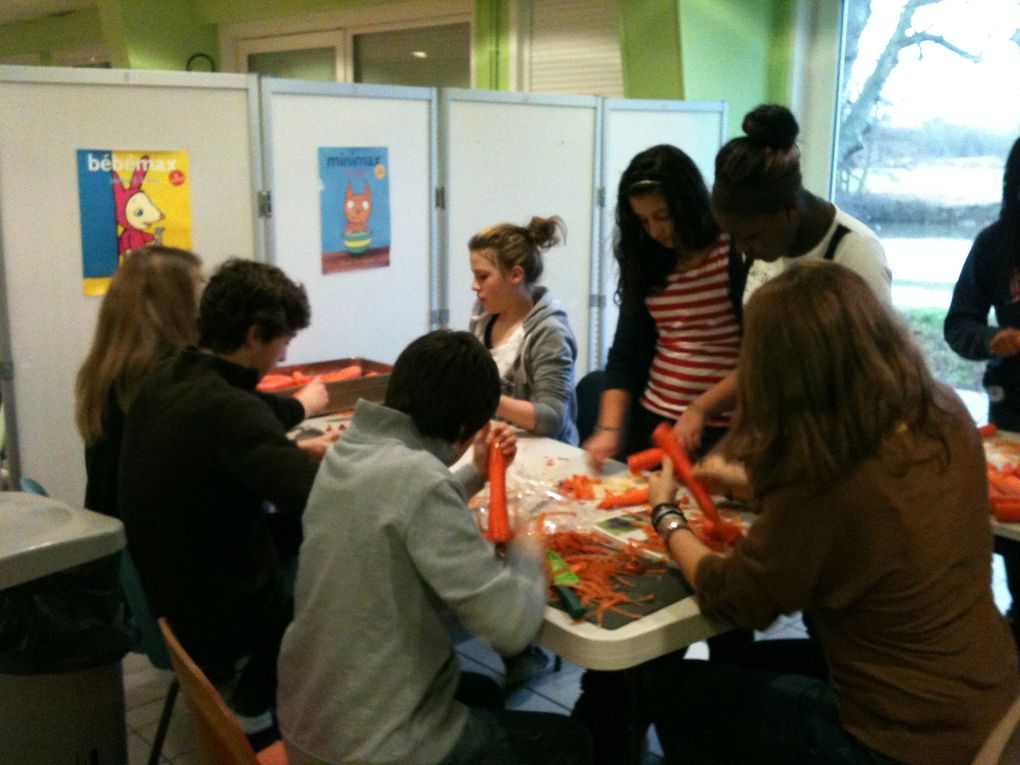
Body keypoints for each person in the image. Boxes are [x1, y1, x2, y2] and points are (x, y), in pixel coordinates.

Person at [643, 261, 1018, 765]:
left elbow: (737, 599)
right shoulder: (943, 410)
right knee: (748, 664)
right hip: (992, 699)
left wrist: (667, 516)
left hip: (904, 739)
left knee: (680, 691)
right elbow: (870, 507)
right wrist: (751, 486)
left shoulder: (824, 477)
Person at [276, 330, 592, 765]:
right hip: (367, 750)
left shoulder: (346, 451)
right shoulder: (421, 481)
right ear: (463, 428)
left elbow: (399, 504)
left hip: (308, 720)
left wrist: (476, 474)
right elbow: (510, 626)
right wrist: (527, 550)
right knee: (569, 742)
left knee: (479, 690)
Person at [119, 258, 325, 743]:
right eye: (284, 340)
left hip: (169, 591)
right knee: (340, 562)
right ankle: (262, 707)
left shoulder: (170, 373)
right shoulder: (229, 411)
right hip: (220, 615)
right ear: (255, 335)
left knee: (293, 536)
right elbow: (320, 498)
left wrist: (289, 447)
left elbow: (246, 421)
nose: (284, 351)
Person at [680, 104, 894, 445]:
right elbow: (762, 362)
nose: (741, 250)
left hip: (836, 446)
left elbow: (875, 373)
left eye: (750, 236)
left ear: (789, 209)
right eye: (732, 236)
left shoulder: (854, 252)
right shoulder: (761, 247)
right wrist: (702, 409)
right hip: (775, 440)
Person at [76, 245, 332, 521]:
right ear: (176, 304)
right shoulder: (170, 378)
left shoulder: (110, 368)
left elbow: (197, 455)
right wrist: (303, 404)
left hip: (121, 535)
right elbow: (240, 416)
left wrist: (294, 450)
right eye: (200, 285)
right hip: (149, 545)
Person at [583, 144, 748, 466]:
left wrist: (701, 408)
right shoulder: (647, 260)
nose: (655, 231)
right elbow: (626, 356)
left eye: (663, 216)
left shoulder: (733, 251)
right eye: (643, 221)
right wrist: (609, 427)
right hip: (654, 423)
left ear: (689, 204)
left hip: (722, 430)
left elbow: (759, 358)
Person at [944, 135, 1020, 648]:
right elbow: (958, 325)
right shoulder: (995, 244)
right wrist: (993, 338)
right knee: (1011, 541)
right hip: (1012, 406)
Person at [469, 215, 579, 445]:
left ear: (516, 275)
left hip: (547, 454)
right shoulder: (483, 314)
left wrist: (484, 398)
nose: (474, 285)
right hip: (499, 443)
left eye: (483, 276)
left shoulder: (550, 332)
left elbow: (553, 418)